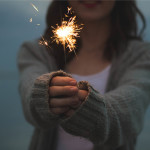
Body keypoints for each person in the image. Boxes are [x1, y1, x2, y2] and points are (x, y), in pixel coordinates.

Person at [17, 0, 150, 150]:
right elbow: (30, 93)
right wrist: (43, 94)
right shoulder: (37, 51)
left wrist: (90, 108)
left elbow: (131, 108)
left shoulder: (142, 56)